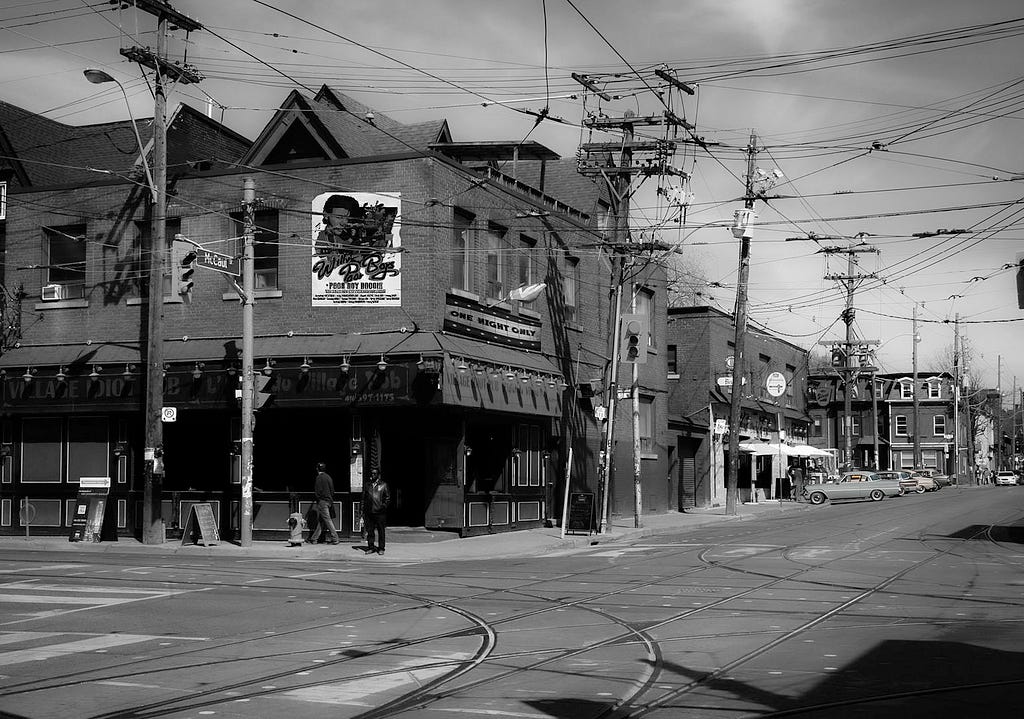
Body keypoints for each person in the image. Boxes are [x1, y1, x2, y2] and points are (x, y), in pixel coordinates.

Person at [307, 462, 339, 545]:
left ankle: (335, 538)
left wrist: (319, 499)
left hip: (323, 502)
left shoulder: (319, 478)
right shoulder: (328, 477)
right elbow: (332, 491)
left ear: (317, 469)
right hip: (329, 501)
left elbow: (317, 492)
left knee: (327, 520)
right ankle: (314, 538)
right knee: (322, 521)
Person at [362, 468, 391, 554]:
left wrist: (383, 506)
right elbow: (363, 498)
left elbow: (388, 498)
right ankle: (371, 547)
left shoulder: (384, 485)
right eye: (372, 473)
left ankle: (381, 548)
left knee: (381, 531)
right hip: (369, 512)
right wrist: (362, 510)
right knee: (370, 531)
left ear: (378, 475)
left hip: (380, 512)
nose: (373, 475)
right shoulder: (367, 485)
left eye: (375, 474)